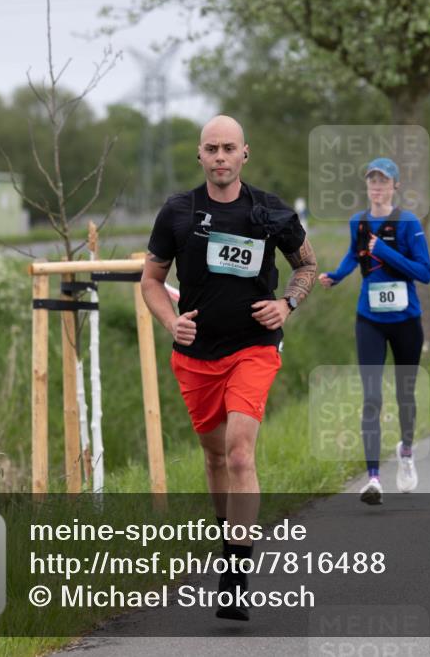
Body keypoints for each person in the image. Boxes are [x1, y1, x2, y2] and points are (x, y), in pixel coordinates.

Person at [141, 115, 316, 621]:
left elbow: (306, 265)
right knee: (215, 457)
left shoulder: (270, 211)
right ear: (199, 155)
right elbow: (152, 281)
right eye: (211, 149)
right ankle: (228, 545)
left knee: (240, 455)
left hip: (253, 347)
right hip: (196, 356)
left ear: (245, 154)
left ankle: (236, 576)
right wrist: (171, 323)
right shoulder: (178, 211)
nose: (220, 157)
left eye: (229, 148)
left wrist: (286, 305)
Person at [319, 158, 430, 505]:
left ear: (395, 187)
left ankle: (407, 452)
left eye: (384, 182)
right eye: (372, 182)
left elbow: (424, 273)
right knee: (371, 398)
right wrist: (336, 276)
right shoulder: (359, 221)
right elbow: (354, 256)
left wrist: (382, 250)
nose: (377, 188)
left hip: (406, 320)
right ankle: (372, 479)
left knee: (405, 395)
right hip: (369, 319)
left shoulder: (408, 222)